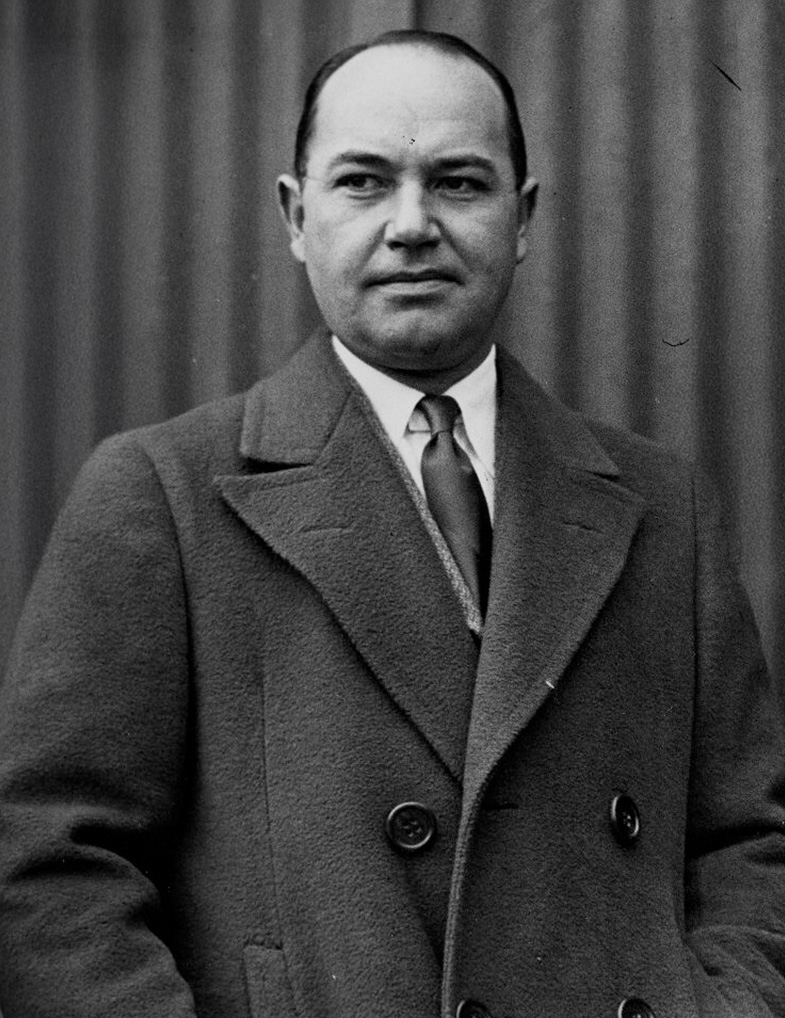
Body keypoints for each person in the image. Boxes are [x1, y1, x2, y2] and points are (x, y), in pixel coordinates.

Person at [1, 28, 784, 1018]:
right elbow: (53, 867)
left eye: (457, 182)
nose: (410, 225)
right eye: (363, 183)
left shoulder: (660, 502)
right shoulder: (161, 491)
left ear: (523, 214)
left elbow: (749, 842)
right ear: (295, 215)